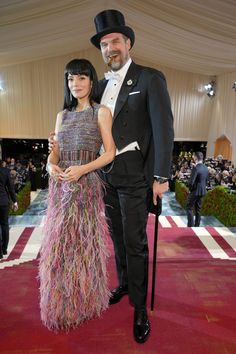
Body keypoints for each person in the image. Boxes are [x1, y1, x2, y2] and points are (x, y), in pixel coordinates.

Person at [90, 9, 174, 343]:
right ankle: (124, 284)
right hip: (105, 177)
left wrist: (161, 176)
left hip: (136, 176)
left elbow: (163, 130)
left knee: (136, 243)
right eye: (104, 43)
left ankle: (140, 308)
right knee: (117, 238)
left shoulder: (151, 78)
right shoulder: (97, 85)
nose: (109, 48)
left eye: (114, 41)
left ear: (128, 43)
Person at [39, 58, 115, 331]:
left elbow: (109, 152)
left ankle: (85, 302)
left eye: (81, 78)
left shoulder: (101, 112)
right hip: (60, 189)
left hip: (85, 188)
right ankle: (62, 303)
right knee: (59, 249)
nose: (76, 84)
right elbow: (56, 151)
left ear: (91, 81)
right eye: (71, 79)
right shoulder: (63, 115)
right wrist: (50, 165)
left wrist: (83, 169)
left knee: (83, 247)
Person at [0, 160, 18, 258]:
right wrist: (15, 201)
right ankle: (4, 249)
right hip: (3, 202)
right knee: (5, 225)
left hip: (3, 201)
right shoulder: (6, 171)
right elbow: (11, 188)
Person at [186, 152, 209, 227]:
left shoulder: (195, 168)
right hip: (202, 191)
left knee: (189, 207)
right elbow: (206, 180)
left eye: (193, 156)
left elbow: (191, 182)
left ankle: (190, 226)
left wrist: (190, 189)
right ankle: (197, 226)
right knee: (198, 209)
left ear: (195, 157)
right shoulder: (206, 168)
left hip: (195, 191)